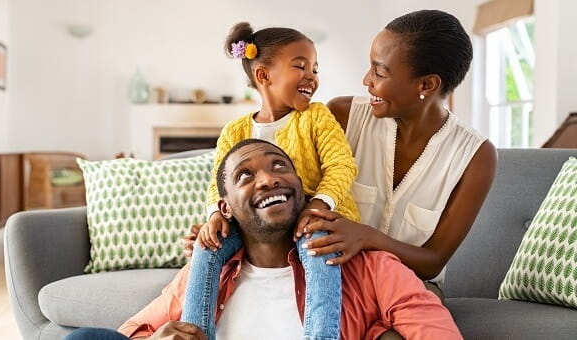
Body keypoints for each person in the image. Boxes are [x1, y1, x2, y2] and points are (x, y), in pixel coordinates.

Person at [110, 139, 460, 340]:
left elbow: (437, 332)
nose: (267, 180)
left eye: (280, 167)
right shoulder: (205, 274)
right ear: (225, 208)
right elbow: (130, 330)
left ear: (304, 192)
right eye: (246, 175)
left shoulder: (370, 267)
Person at [296, 9, 497, 300]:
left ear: (426, 85)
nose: (366, 80)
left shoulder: (476, 157)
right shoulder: (341, 117)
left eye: (379, 72)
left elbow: (433, 261)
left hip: (409, 289)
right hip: (331, 276)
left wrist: (368, 237)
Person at [182, 23, 360, 340]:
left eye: (315, 69)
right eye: (300, 66)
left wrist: (318, 205)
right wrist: (214, 215)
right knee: (207, 248)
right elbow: (218, 183)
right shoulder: (234, 131)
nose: (312, 77)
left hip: (312, 215)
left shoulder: (317, 116)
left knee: (318, 244)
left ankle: (321, 335)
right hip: (256, 224)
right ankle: (194, 332)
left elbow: (341, 164)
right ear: (264, 76)